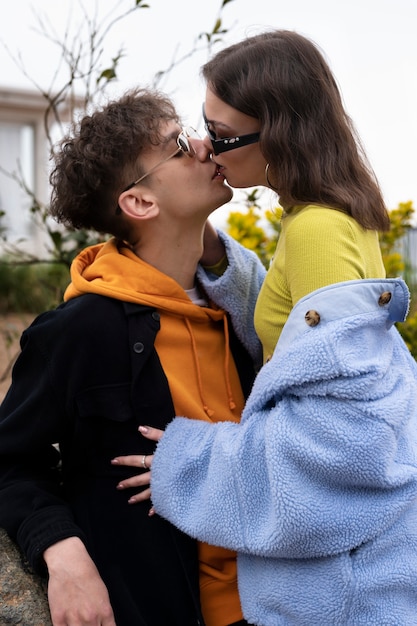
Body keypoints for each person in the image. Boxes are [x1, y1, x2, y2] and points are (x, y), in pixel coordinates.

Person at [112, 31, 417, 625]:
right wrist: (211, 255)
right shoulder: (328, 217)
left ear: (281, 132)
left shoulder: (316, 232)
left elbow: (343, 438)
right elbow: (300, 339)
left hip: (341, 594)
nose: (205, 147)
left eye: (222, 137)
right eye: (203, 125)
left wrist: (192, 465)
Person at [0, 87, 266, 626]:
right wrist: (62, 552)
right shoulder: (78, 331)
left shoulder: (245, 311)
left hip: (281, 601)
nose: (202, 144)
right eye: (176, 146)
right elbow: (9, 461)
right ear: (140, 202)